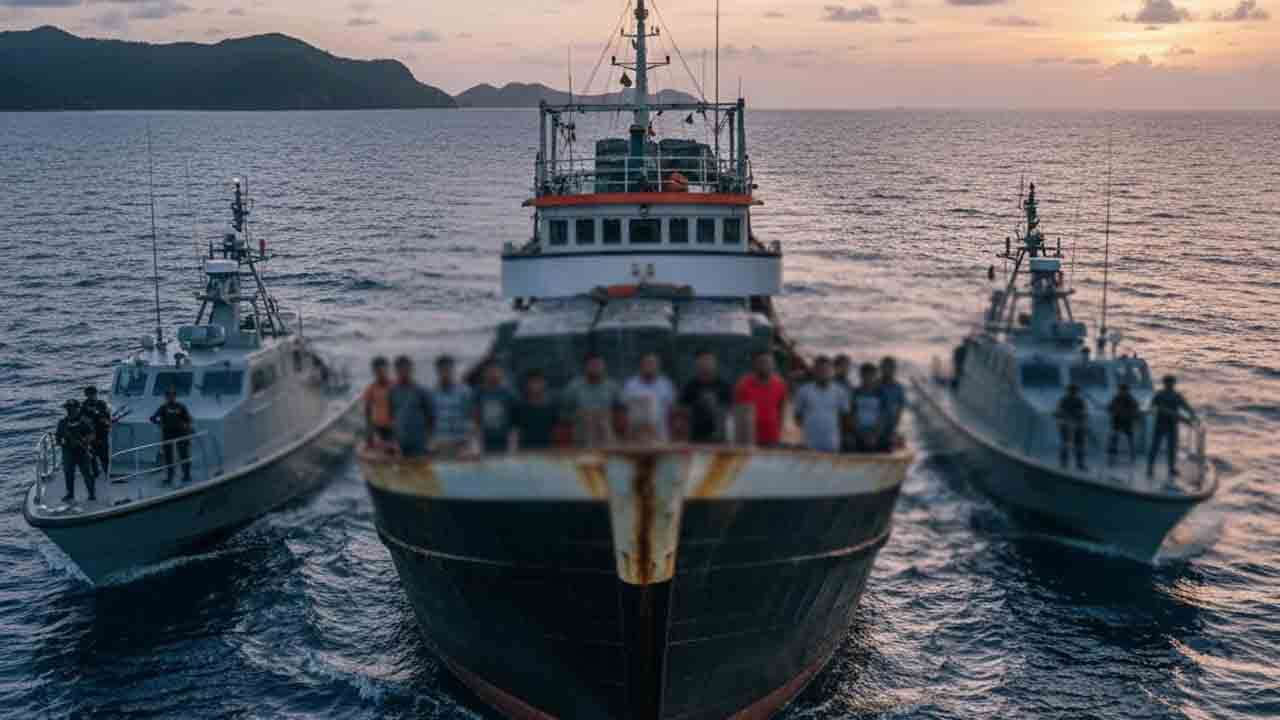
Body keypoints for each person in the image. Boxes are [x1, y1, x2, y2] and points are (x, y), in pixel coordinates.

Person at [563, 352, 623, 447]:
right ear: (585, 367)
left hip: (607, 437)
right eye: (592, 365)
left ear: (604, 366)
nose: (596, 368)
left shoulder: (613, 387)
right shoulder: (573, 387)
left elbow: (621, 414)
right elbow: (564, 415)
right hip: (582, 438)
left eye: (598, 365)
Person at [793, 356, 850, 453]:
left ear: (832, 371)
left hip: (832, 442)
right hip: (809, 442)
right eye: (819, 370)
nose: (823, 373)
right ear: (814, 371)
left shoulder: (841, 391)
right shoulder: (803, 391)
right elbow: (797, 416)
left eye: (826, 370)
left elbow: (845, 417)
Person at [734, 351, 788, 447]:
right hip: (749, 439)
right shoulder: (743, 385)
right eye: (762, 362)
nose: (766, 366)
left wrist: (780, 433)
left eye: (769, 363)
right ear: (755, 364)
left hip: (772, 438)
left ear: (774, 365)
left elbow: (781, 411)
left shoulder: (780, 385)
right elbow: (738, 414)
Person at [678, 350, 733, 444]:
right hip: (695, 438)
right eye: (703, 362)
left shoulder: (725, 387)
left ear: (715, 364)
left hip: (720, 439)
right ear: (697, 365)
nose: (706, 365)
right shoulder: (689, 387)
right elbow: (681, 413)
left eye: (709, 361)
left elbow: (730, 412)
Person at [622, 353, 677, 443]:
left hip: (661, 436)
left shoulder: (666, 385)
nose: (650, 366)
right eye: (647, 363)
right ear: (641, 365)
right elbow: (624, 412)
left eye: (653, 363)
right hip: (636, 436)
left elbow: (672, 412)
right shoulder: (630, 385)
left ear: (658, 366)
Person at [1148, 375, 1195, 477]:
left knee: (1172, 448)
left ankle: (1171, 468)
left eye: (1171, 383)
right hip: (1160, 424)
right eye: (1168, 383)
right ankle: (1150, 467)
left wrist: (1193, 415)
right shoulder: (1159, 395)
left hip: (1172, 425)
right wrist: (1181, 417)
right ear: (1165, 383)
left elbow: (1186, 406)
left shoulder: (1177, 396)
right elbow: (1153, 407)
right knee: (1155, 446)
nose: (1170, 385)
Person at [389, 355, 433, 457]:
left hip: (419, 441)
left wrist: (429, 440)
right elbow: (392, 416)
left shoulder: (422, 391)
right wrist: (394, 440)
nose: (404, 372)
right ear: (396, 371)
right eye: (400, 370)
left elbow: (431, 417)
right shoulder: (393, 391)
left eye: (406, 369)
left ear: (412, 370)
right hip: (401, 441)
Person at [150, 386, 193, 484]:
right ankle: (169, 477)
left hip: (180, 433)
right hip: (167, 434)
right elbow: (152, 418)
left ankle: (187, 475)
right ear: (166, 397)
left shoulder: (181, 407)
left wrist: (187, 427)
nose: (170, 397)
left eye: (172, 395)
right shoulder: (163, 408)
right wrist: (160, 423)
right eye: (168, 395)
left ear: (175, 396)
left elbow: (188, 419)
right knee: (168, 456)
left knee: (184, 454)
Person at [431, 355, 473, 454]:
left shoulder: (465, 391)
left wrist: (469, 440)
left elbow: (471, 417)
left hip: (461, 443)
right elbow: (430, 420)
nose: (445, 373)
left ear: (452, 370)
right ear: (437, 371)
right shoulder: (431, 394)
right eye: (442, 370)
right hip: (440, 444)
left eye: (448, 369)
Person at [55, 399, 96, 502]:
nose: (70, 411)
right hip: (68, 452)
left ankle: (91, 494)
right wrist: (62, 442)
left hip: (82, 451)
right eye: (68, 408)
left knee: (87, 474)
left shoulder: (85, 421)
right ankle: (70, 494)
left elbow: (92, 434)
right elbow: (58, 437)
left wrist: (84, 440)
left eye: (72, 408)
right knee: (68, 473)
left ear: (78, 409)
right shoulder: (62, 423)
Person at [475, 362, 518, 453]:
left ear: (501, 373)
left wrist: (513, 441)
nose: (493, 375)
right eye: (490, 372)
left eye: (496, 371)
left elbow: (514, 419)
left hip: (505, 438)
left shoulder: (508, 394)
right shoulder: (479, 393)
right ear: (484, 374)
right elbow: (476, 416)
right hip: (485, 438)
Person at [513, 370, 560, 450]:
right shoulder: (519, 408)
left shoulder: (551, 408)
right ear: (527, 385)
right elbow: (515, 432)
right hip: (525, 450)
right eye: (532, 382)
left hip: (547, 450)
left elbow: (556, 432)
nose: (536, 385)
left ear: (544, 384)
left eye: (539, 382)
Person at [849, 363, 885, 452]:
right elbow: (852, 415)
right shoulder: (855, 393)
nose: (868, 378)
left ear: (875, 376)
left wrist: (874, 435)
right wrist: (861, 434)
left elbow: (882, 417)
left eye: (871, 376)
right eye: (866, 375)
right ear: (861, 376)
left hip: (875, 435)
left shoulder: (880, 394)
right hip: (858, 434)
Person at [363, 356, 395, 447]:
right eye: (377, 371)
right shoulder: (371, 388)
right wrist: (369, 431)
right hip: (378, 426)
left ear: (388, 370)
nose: (381, 373)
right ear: (374, 372)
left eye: (383, 370)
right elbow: (367, 410)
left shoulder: (396, 386)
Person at [1055, 383, 1087, 471]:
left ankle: (1078, 464)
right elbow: (1058, 412)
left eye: (1074, 391)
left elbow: (1083, 413)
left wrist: (1080, 418)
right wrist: (1064, 417)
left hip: (1076, 425)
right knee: (1067, 444)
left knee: (1078, 445)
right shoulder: (1064, 400)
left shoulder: (1079, 401)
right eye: (1072, 391)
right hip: (1067, 425)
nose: (1073, 392)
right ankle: (1065, 463)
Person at [81, 386, 112, 478]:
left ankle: (107, 472)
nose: (92, 396)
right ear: (86, 395)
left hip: (101, 433)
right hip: (90, 434)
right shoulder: (84, 406)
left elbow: (106, 416)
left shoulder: (101, 404)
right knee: (92, 455)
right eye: (89, 394)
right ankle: (95, 472)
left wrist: (99, 415)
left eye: (93, 394)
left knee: (104, 455)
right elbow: (82, 419)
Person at [1107, 382, 1141, 464]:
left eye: (1124, 390)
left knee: (1130, 440)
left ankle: (1133, 456)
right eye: (1121, 390)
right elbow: (1110, 408)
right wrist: (1114, 410)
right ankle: (1112, 457)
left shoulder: (1131, 399)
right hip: (1117, 422)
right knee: (1114, 439)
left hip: (1127, 422)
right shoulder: (1116, 399)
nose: (1122, 392)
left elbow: (1136, 409)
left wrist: (1135, 417)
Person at [878, 356, 906, 451]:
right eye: (885, 367)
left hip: (891, 425)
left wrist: (895, 427)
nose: (887, 370)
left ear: (894, 369)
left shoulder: (899, 388)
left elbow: (900, 409)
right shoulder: (874, 385)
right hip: (876, 426)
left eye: (890, 367)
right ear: (881, 369)